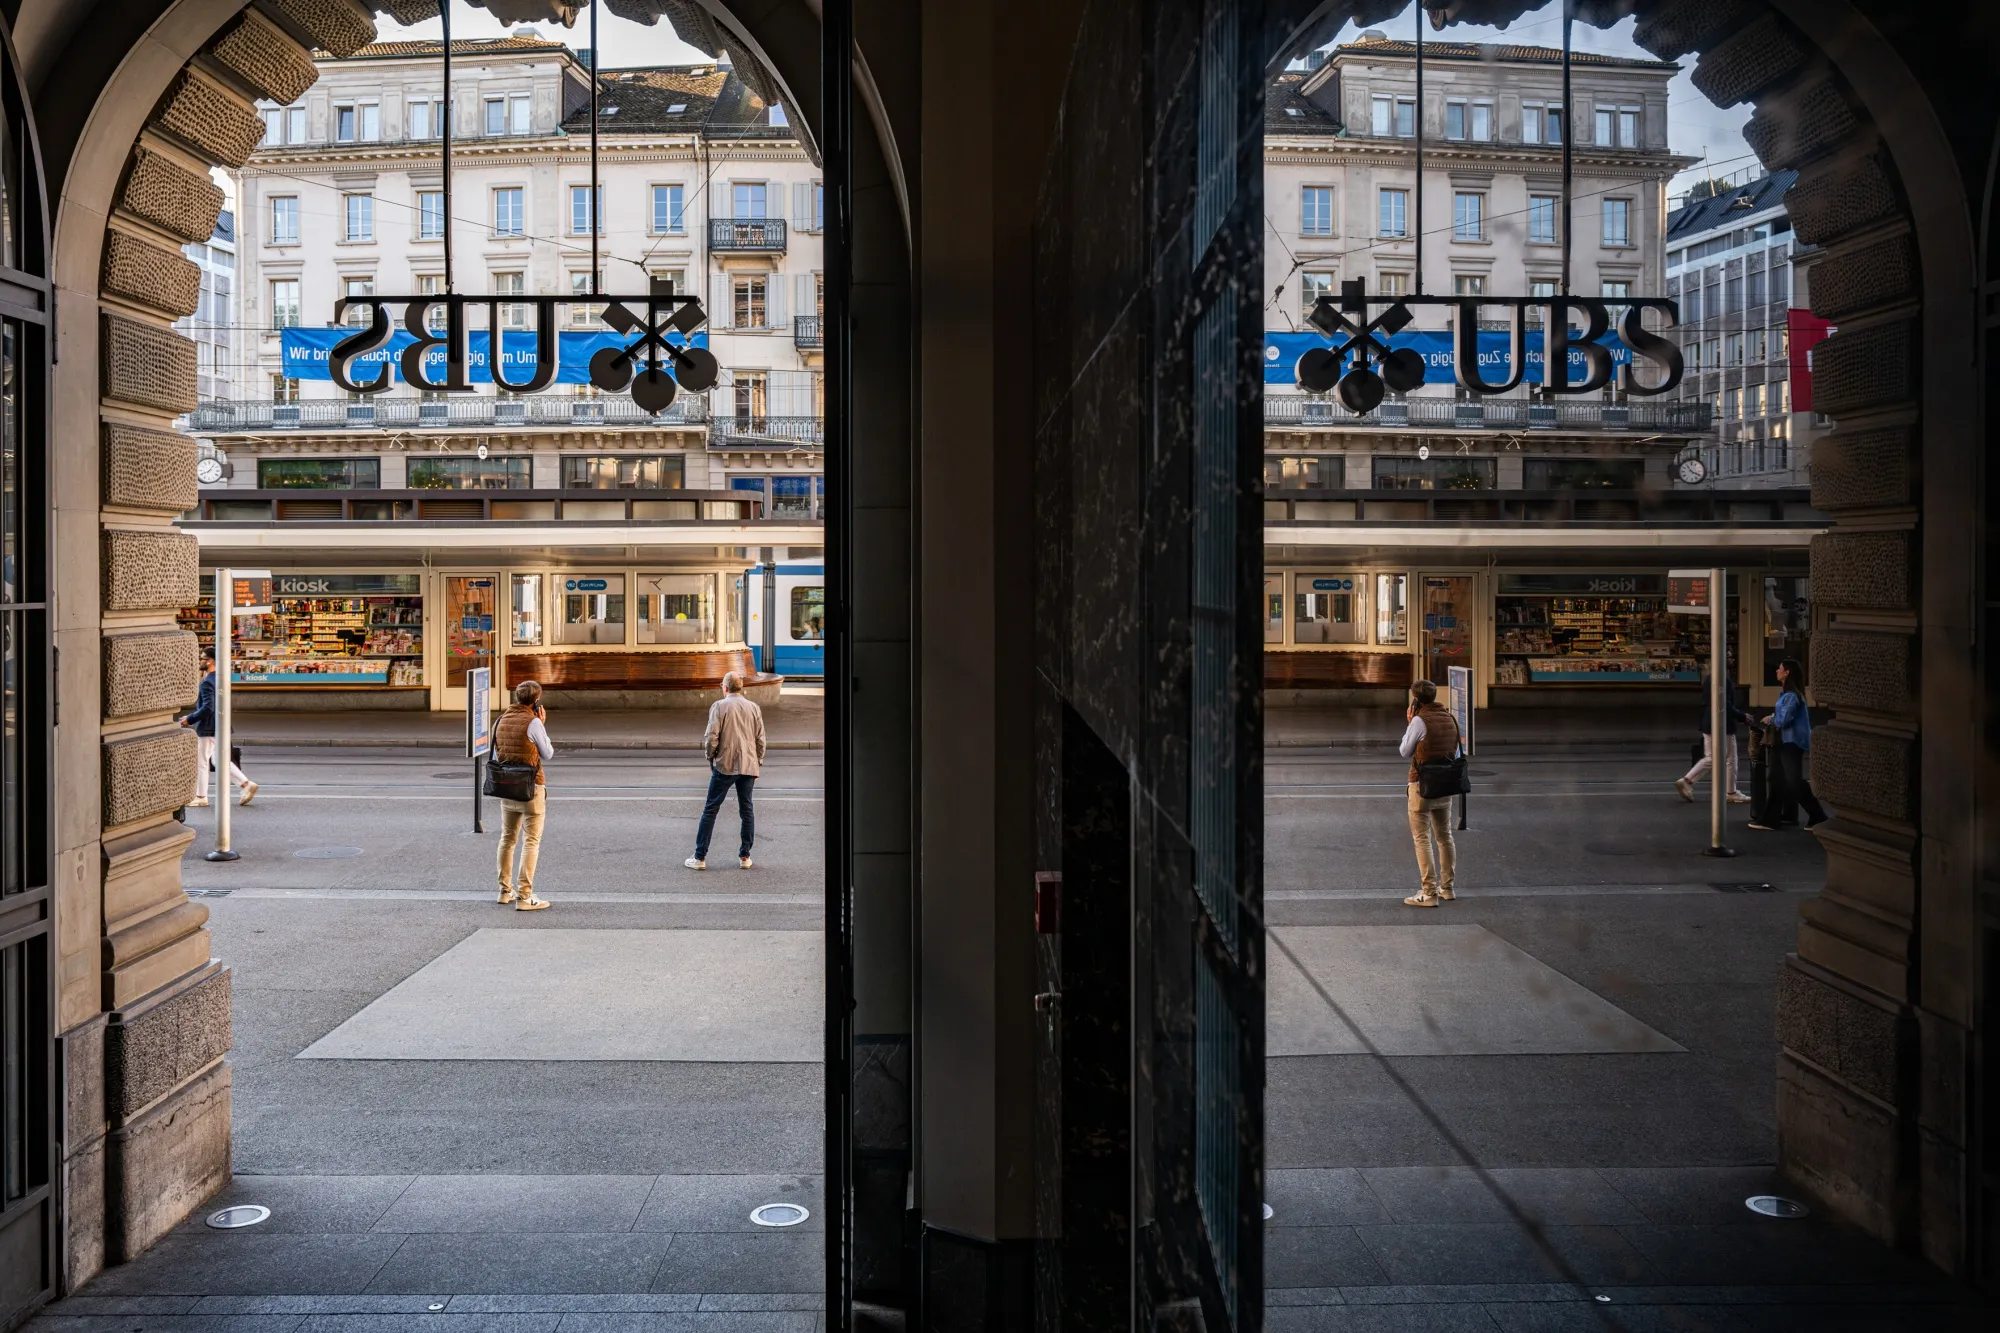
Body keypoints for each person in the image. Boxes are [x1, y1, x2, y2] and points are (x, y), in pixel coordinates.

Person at [687, 671, 767, 870]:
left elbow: (711, 737)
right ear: (741, 688)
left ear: (724, 688)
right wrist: (758, 763)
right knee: (746, 809)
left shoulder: (719, 706)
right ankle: (745, 857)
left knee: (711, 809)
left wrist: (711, 756)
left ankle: (700, 857)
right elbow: (760, 740)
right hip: (749, 765)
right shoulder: (754, 708)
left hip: (725, 764)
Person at [1397, 679, 1459, 908]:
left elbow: (1404, 751)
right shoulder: (1450, 717)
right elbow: (1456, 750)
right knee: (1444, 837)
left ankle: (1428, 892)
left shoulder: (1419, 721)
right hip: (1445, 785)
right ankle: (1448, 888)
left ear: (1416, 699)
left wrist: (1410, 722)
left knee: (1422, 838)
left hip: (1422, 785)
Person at [493, 680, 554, 910]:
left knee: (507, 839)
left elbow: (498, 751)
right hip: (531, 787)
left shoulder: (500, 720)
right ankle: (525, 896)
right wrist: (542, 724)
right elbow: (547, 753)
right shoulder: (534, 722)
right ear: (536, 701)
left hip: (507, 786)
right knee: (531, 841)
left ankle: (504, 891)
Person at [1750, 658, 1829, 832]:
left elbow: (1783, 720)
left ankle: (1818, 816)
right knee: (1776, 779)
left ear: (1787, 673)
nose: (1777, 671)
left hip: (1790, 742)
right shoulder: (1789, 694)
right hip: (1784, 741)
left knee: (1794, 781)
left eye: (1780, 669)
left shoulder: (1791, 696)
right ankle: (1773, 818)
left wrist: (1769, 718)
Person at [180, 647, 257, 809]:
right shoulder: (220, 679)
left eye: (202, 658)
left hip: (208, 727)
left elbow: (208, 707)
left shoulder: (207, 682)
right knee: (219, 761)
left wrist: (190, 718)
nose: (200, 661)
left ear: (210, 661)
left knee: (201, 762)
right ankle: (245, 784)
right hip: (220, 725)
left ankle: (201, 796)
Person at [1676, 667, 1751, 805]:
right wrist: (1742, 716)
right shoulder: (1724, 680)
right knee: (1730, 758)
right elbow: (1725, 704)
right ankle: (1731, 792)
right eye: (1728, 657)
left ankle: (1687, 781)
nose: (1732, 661)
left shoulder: (1709, 678)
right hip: (1722, 724)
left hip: (1708, 722)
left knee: (1711, 757)